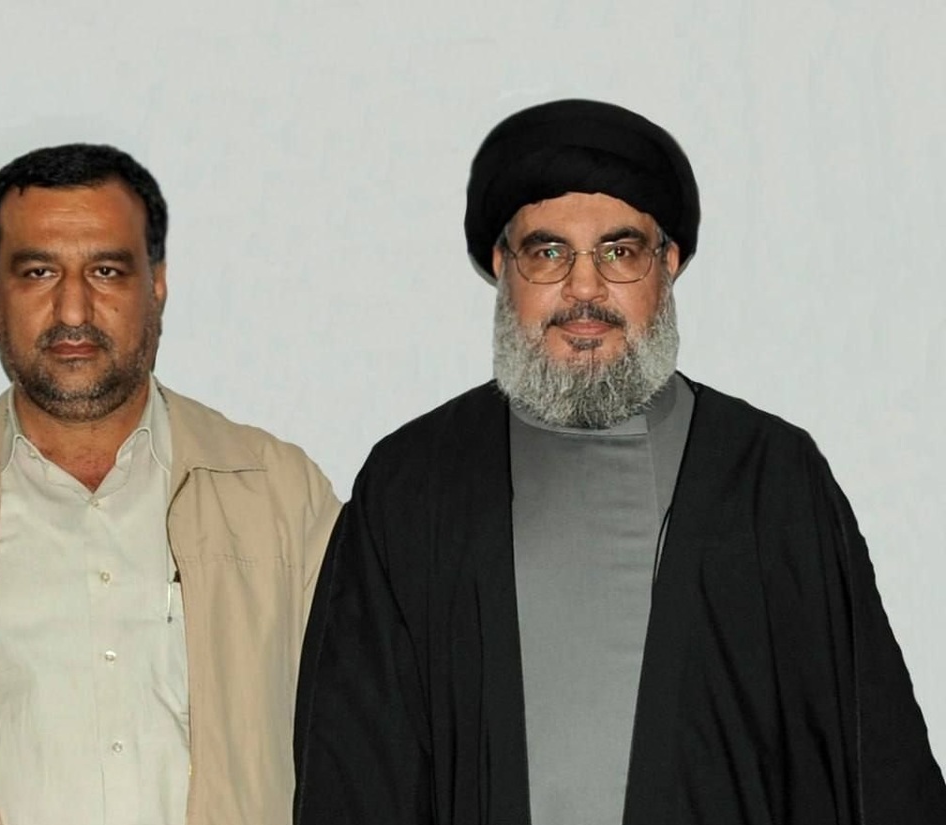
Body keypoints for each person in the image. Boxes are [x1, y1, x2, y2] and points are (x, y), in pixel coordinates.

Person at [293, 99, 946, 825]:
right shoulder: (412, 486)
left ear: (668, 264)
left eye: (619, 252)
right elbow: (352, 779)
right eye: (548, 253)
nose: (584, 289)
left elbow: (877, 768)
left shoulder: (772, 479)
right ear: (503, 268)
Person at [0, 143, 340, 825]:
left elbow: (355, 758)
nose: (74, 310)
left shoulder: (282, 498)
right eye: (39, 272)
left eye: (106, 271)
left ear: (157, 284)